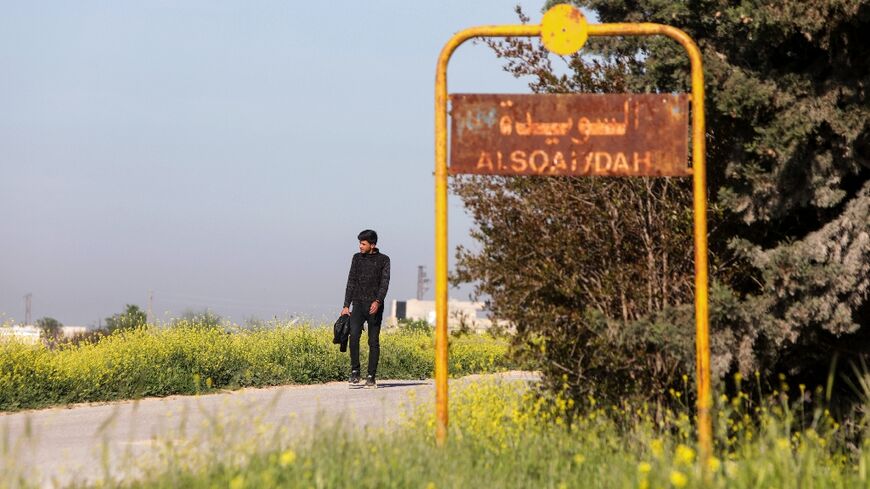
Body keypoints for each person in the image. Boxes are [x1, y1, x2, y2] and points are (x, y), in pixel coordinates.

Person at [341, 229, 390, 388]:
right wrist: (346, 305)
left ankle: (371, 376)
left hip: (374, 306)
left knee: (373, 341)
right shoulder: (356, 258)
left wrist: (378, 301)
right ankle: (355, 371)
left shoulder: (384, 260)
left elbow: (385, 283)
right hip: (358, 304)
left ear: (372, 245)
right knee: (353, 336)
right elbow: (351, 281)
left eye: (363, 244)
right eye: (360, 243)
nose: (360, 246)